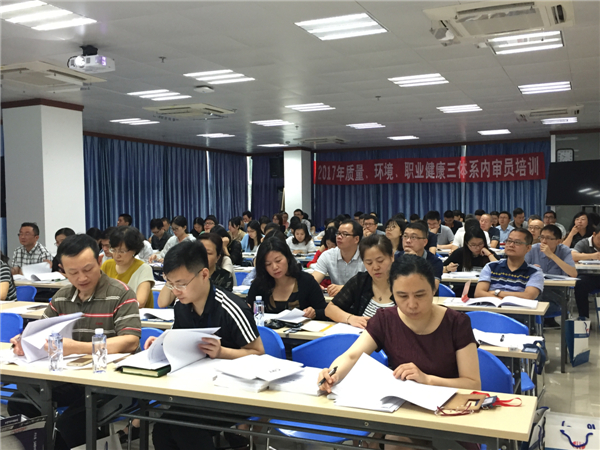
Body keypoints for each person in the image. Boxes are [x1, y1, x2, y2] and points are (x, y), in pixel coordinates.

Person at [8, 234, 141, 450]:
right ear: (62, 271)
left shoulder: (121, 294)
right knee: (19, 403)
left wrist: (77, 348)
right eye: (73, 272)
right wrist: (24, 342)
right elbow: (39, 333)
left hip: (109, 381)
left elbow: (131, 341)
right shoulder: (62, 297)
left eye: (88, 269)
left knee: (72, 422)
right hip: (70, 378)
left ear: (99, 261)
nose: (82, 278)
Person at [149, 240, 264, 450]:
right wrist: (160, 345)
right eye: (170, 284)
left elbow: (259, 354)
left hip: (235, 393)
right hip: (198, 389)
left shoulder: (231, 308)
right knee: (162, 431)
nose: (176, 291)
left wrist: (222, 352)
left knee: (185, 429)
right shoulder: (182, 307)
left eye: (181, 284)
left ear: (203, 274)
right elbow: (179, 342)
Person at [319, 255, 480, 401]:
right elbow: (351, 356)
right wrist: (332, 374)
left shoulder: (457, 323)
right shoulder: (385, 319)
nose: (411, 304)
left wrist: (427, 380)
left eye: (420, 295)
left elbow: (473, 384)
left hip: (448, 408)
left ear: (433, 289)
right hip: (402, 407)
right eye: (402, 296)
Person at [247, 237, 328, 320]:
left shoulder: (306, 281)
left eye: (278, 261)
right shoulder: (259, 284)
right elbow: (248, 311)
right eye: (268, 264)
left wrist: (314, 313)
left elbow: (325, 312)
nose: (274, 267)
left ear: (288, 258)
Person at [326, 235, 396, 328]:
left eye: (380, 261)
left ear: (392, 256)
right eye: (369, 263)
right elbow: (329, 309)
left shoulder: (403, 283)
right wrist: (350, 318)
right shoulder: (361, 281)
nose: (375, 267)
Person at [525, 224, 577, 328]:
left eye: (548, 238)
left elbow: (573, 273)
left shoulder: (564, 251)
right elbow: (520, 269)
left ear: (558, 241)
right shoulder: (533, 249)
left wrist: (551, 255)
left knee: (537, 298)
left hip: (556, 294)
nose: (544, 241)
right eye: (542, 237)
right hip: (535, 290)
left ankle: (536, 328)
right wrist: (530, 269)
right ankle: (535, 329)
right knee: (534, 296)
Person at [475, 229, 544, 300]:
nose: (511, 245)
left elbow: (528, 296)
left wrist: (497, 293)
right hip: (490, 306)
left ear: (528, 248)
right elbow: (478, 293)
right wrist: (501, 300)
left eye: (517, 242)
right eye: (509, 241)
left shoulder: (534, 272)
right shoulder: (491, 266)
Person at [101, 226, 155, 307]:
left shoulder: (144, 269)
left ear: (134, 250)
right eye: (113, 250)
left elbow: (140, 302)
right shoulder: (107, 265)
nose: (116, 255)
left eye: (122, 251)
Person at [312, 220, 366, 297]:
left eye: (345, 234)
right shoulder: (327, 255)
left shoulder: (367, 256)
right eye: (338, 233)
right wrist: (314, 285)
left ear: (356, 239)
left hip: (360, 299)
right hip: (336, 300)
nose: (339, 237)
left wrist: (345, 288)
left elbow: (372, 284)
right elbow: (314, 278)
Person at [444, 228, 498, 297]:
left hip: (484, 291)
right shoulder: (460, 253)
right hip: (461, 290)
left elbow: (499, 269)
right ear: (467, 243)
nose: (477, 248)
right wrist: (447, 268)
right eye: (473, 245)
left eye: (480, 244)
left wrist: (488, 254)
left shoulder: (489, 254)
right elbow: (440, 269)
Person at [395, 222, 442, 291]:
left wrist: (417, 262)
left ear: (425, 242)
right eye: (405, 236)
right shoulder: (396, 258)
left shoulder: (435, 262)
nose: (408, 241)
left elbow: (432, 289)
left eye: (413, 237)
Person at [571, 224, 600, 320]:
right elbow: (572, 256)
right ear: (594, 234)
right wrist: (593, 256)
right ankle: (583, 317)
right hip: (588, 276)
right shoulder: (584, 243)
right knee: (580, 284)